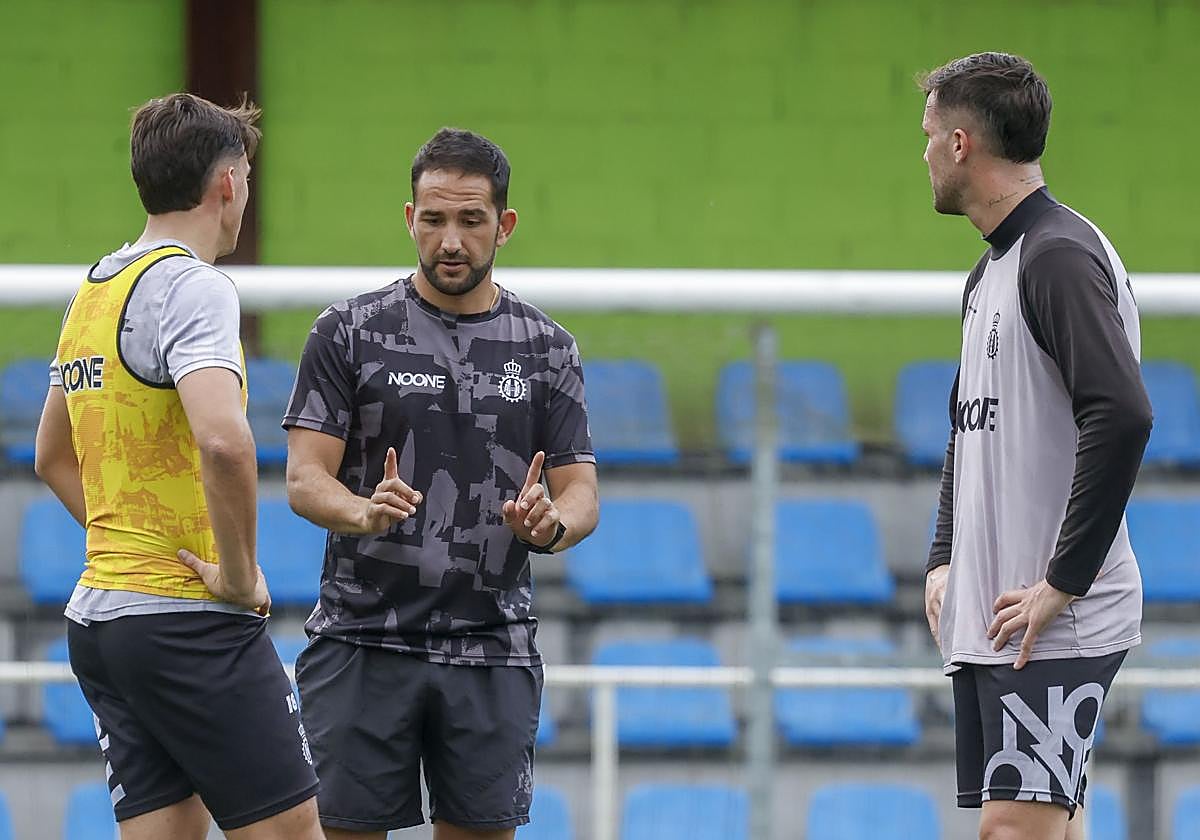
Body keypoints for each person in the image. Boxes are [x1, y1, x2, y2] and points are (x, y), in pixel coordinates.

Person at [283, 127, 600, 839]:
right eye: (433, 219)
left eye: (470, 220)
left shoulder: (547, 348)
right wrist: (361, 511)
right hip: (362, 640)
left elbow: (582, 492)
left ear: (504, 226)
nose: (449, 240)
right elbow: (305, 479)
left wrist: (552, 525)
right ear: (409, 219)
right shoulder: (347, 332)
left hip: (491, 648)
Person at [34, 93, 322, 840]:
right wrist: (235, 572)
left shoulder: (94, 288)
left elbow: (51, 457)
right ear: (227, 185)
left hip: (102, 621)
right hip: (187, 624)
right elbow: (223, 442)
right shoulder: (192, 286)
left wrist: (136, 551)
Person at [919, 53, 1153, 840]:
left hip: (1054, 622)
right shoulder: (991, 270)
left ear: (961, 145)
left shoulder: (1056, 256)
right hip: (1005, 619)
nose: (920, 155)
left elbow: (1121, 415)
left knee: (1012, 830)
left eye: (926, 137)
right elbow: (967, 425)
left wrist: (1064, 581)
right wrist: (944, 555)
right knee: (1049, 827)